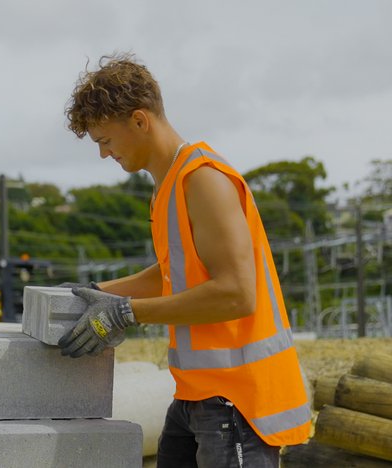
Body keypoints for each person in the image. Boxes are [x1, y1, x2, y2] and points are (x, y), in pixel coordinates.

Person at [58, 53, 311, 468]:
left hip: (236, 401)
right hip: (197, 395)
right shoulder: (167, 187)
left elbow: (236, 295)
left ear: (140, 121)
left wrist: (125, 314)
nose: (103, 154)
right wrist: (94, 294)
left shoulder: (203, 179)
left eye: (105, 140)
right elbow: (172, 274)